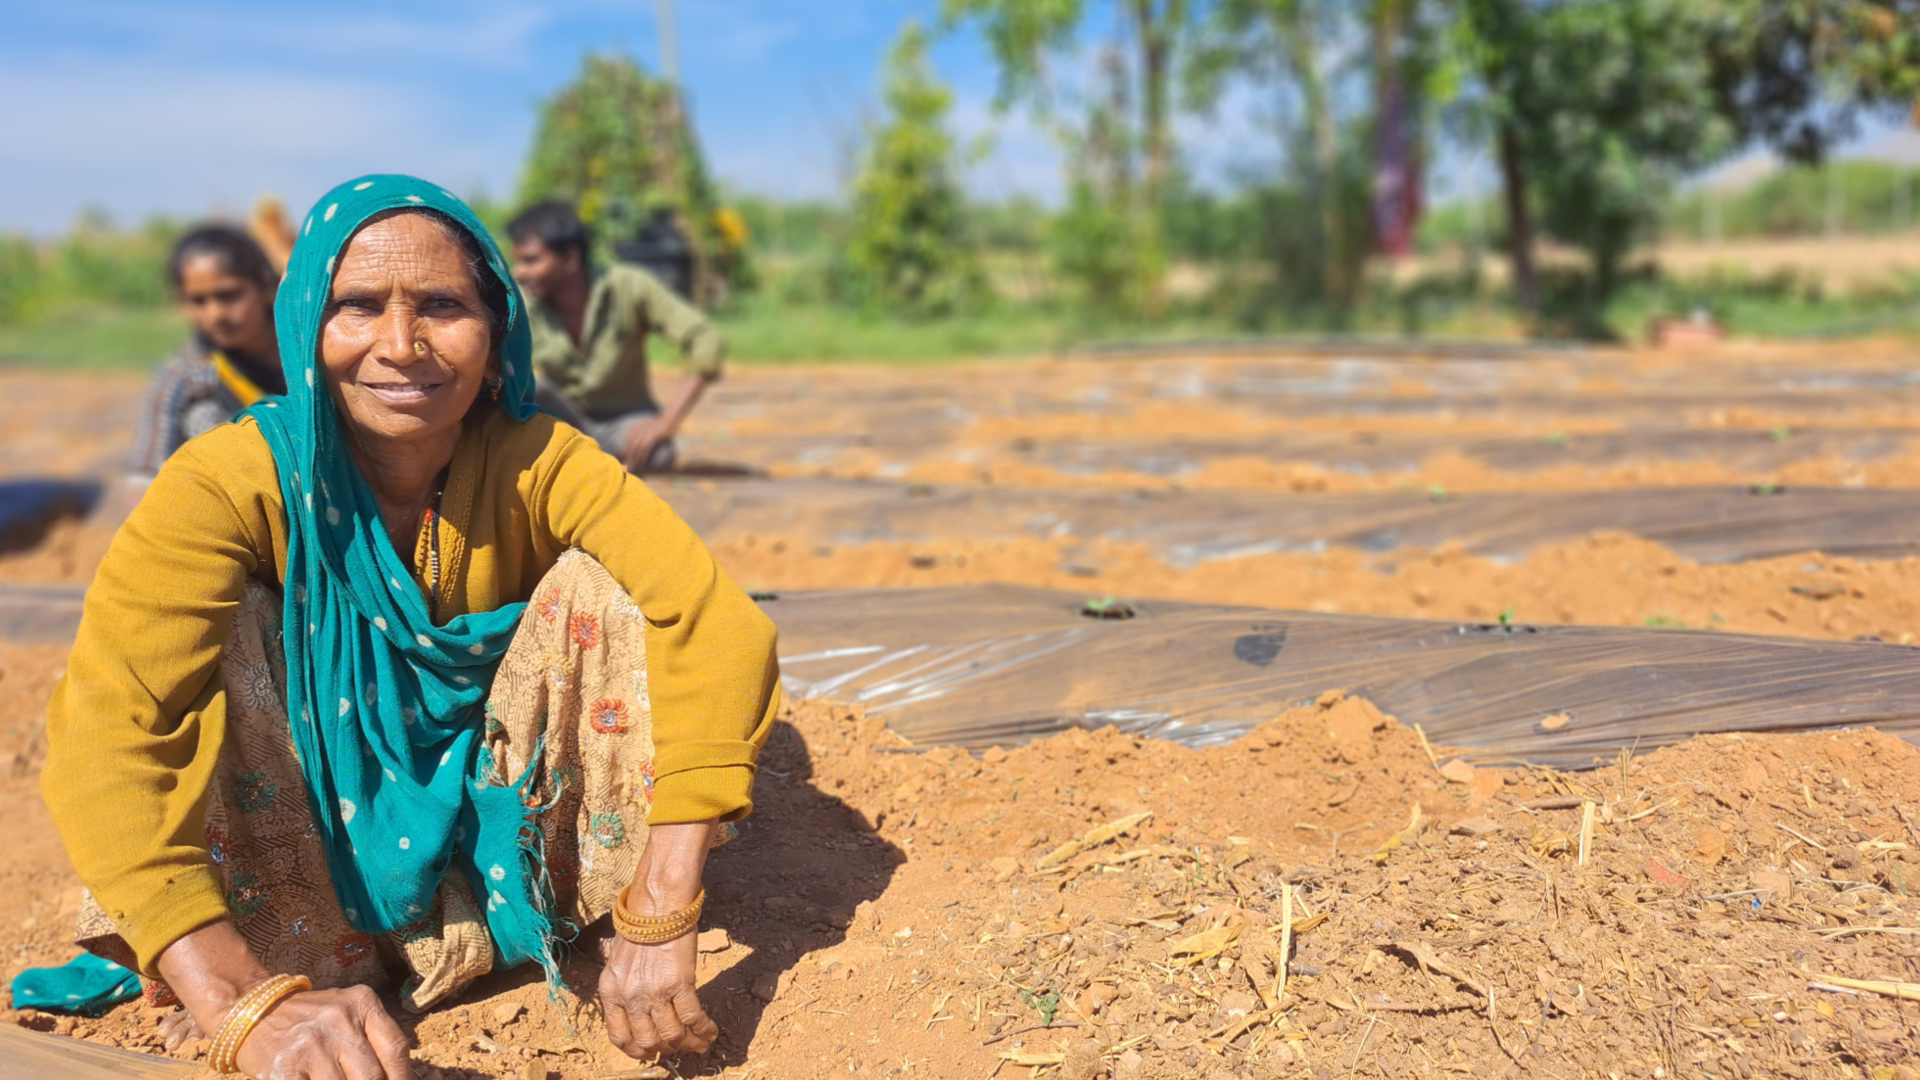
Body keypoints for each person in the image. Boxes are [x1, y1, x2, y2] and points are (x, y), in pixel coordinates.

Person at [43, 176, 780, 1080]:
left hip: (500, 839)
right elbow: (111, 725)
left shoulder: (538, 459)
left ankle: (517, 918)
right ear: (307, 328)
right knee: (218, 629)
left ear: (499, 333)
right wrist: (232, 993)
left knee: (604, 597)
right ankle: (255, 960)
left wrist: (664, 910)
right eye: (358, 306)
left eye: (441, 305)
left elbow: (716, 624)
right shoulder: (228, 481)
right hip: (294, 873)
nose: (401, 345)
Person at [507, 201, 724, 475]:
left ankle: (589, 459)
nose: (519, 271)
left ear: (570, 258)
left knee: (659, 454)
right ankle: (582, 457)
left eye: (531, 260)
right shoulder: (523, 305)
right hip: (564, 420)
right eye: (518, 261)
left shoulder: (629, 286)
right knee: (532, 386)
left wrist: (665, 422)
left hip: (624, 420)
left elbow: (706, 340)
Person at [127, 226, 288, 487]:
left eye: (229, 295)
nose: (216, 315)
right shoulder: (186, 372)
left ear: (263, 283)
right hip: (249, 501)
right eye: (198, 301)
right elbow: (144, 474)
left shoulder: (309, 345)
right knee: (203, 417)